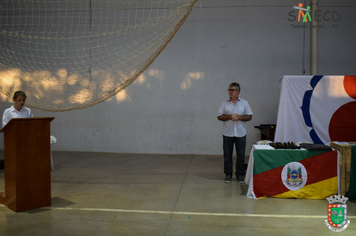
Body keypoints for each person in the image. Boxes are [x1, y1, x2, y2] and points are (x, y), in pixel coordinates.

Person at [217, 82, 253, 184]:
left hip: (240, 133)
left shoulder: (244, 103)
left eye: (232, 90)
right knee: (227, 155)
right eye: (229, 90)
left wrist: (240, 117)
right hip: (228, 133)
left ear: (238, 91)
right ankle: (228, 174)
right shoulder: (224, 103)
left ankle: (240, 175)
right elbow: (219, 116)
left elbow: (249, 116)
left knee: (241, 155)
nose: (230, 92)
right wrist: (229, 116)